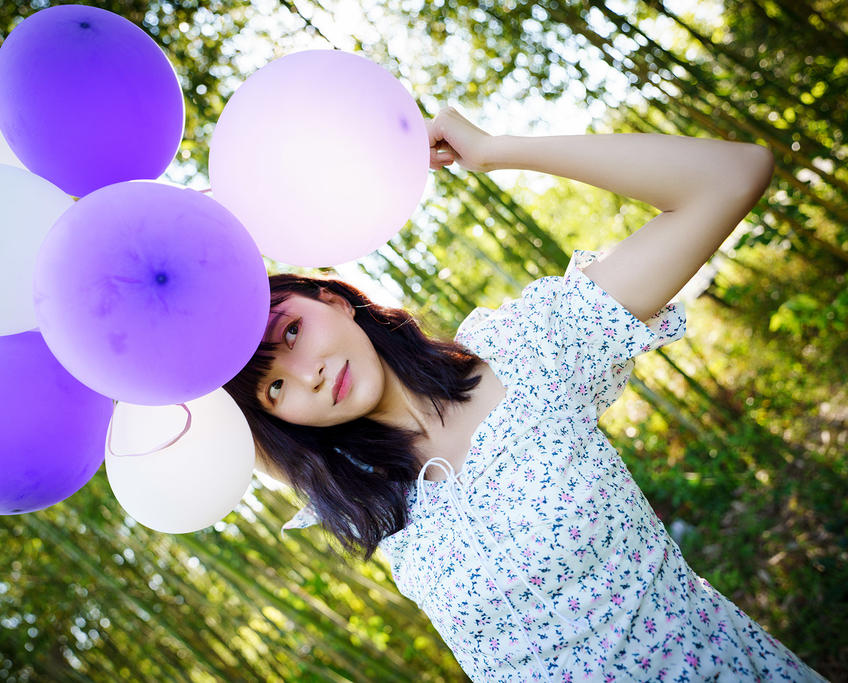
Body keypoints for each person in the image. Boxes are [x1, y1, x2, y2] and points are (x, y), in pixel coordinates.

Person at [222, 107, 826, 681]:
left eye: (292, 333)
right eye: (275, 388)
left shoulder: (526, 352)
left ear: (334, 298)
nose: (309, 376)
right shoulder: (358, 489)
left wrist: (498, 150)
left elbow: (731, 176)